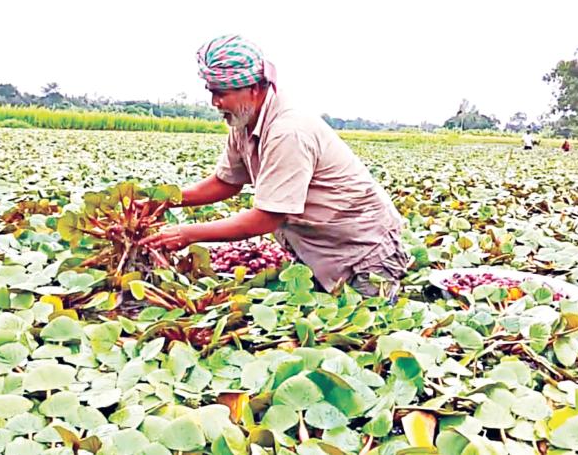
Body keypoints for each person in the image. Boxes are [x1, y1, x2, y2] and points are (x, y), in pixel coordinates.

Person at [140, 34, 410, 299]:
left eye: (221, 93)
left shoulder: (288, 131)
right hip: (317, 252)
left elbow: (267, 218)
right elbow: (227, 182)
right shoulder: (243, 119)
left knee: (365, 334)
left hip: (363, 253)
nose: (215, 103)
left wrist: (187, 233)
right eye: (212, 92)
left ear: (254, 89)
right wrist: (164, 201)